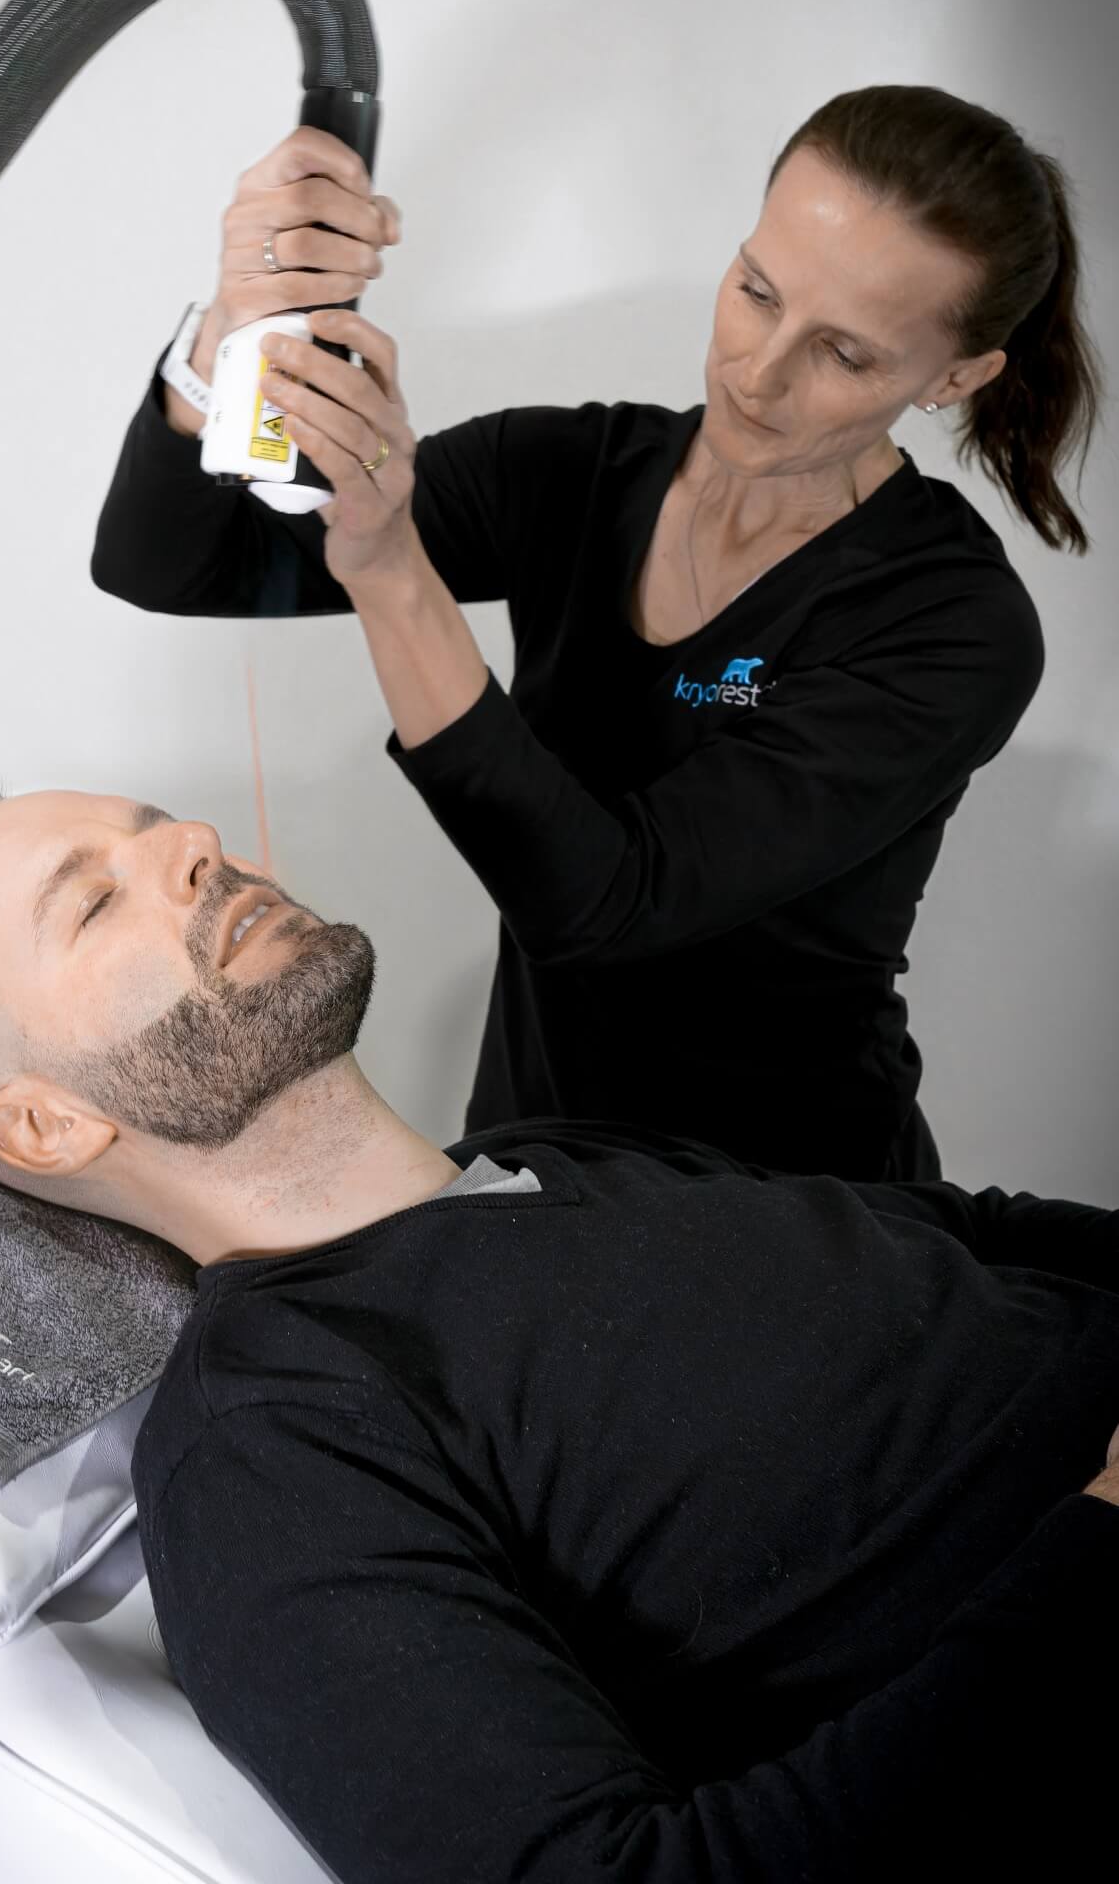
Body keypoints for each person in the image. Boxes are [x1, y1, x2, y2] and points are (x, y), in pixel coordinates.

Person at [0, 785, 1119, 1881]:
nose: (192, 843)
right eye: (91, 901)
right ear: (47, 1127)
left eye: (156, 827)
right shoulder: (266, 1442)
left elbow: (968, 1234)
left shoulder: (546, 1150)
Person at [91, 84, 1106, 1183]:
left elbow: (605, 904)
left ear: (954, 377)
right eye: (756, 291)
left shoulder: (947, 622)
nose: (758, 371)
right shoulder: (568, 477)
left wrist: (389, 569)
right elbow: (172, 562)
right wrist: (230, 332)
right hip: (533, 1172)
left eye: (844, 355)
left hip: (798, 1212)